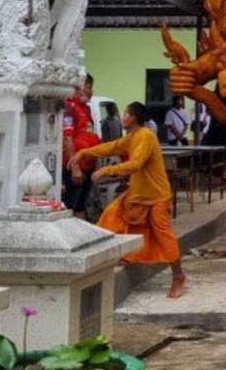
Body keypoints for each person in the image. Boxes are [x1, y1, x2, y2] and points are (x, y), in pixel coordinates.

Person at [73, 102, 185, 298]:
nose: (122, 117)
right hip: (137, 195)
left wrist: (106, 170)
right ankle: (122, 256)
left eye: (125, 114)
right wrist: (84, 152)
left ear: (132, 118)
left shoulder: (146, 136)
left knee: (163, 234)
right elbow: (111, 147)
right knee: (110, 217)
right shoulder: (132, 137)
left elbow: (136, 164)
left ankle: (178, 276)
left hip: (156, 195)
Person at [62, 75, 99, 219]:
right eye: (89, 87)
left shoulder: (85, 109)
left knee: (80, 206)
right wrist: (75, 168)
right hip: (75, 168)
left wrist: (95, 165)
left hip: (87, 166)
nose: (91, 91)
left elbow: (91, 136)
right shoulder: (69, 108)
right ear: (79, 87)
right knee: (69, 207)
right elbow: (67, 138)